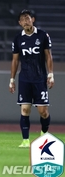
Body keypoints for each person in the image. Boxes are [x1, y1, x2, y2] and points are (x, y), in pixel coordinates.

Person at [9, 9, 54, 148]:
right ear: (19, 23)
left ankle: (43, 135)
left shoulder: (42, 35)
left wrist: (50, 74)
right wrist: (12, 79)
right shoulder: (18, 38)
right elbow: (15, 61)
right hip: (25, 79)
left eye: (28, 18)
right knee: (25, 110)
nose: (25, 21)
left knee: (43, 112)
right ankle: (25, 141)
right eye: (23, 19)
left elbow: (48, 56)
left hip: (40, 78)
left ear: (32, 19)